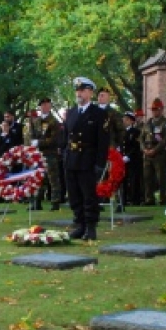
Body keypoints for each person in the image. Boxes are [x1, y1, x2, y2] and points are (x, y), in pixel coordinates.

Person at [62, 77, 110, 240]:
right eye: (77, 91)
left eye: (82, 90)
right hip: (72, 159)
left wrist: (100, 164)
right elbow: (66, 137)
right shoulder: (71, 112)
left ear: (90, 92)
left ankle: (90, 227)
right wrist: (64, 156)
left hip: (87, 159)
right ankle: (79, 224)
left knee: (88, 195)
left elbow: (103, 141)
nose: (79, 94)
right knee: (74, 195)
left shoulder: (99, 114)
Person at [25, 98, 62, 210]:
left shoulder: (54, 121)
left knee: (53, 178)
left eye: (47, 104)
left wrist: (39, 142)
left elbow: (54, 139)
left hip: (50, 153)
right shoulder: (35, 121)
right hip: (37, 153)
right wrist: (31, 143)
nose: (44, 107)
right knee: (37, 178)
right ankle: (36, 202)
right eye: (42, 105)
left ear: (50, 106)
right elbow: (30, 135)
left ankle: (55, 202)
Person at [140, 98, 166, 205]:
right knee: (147, 177)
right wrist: (144, 149)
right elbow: (141, 138)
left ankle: (163, 198)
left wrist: (155, 150)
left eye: (156, 109)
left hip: (159, 153)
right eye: (153, 110)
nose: (154, 112)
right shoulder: (147, 123)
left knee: (161, 177)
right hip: (147, 153)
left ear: (161, 110)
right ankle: (149, 199)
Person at [120, 112, 143, 206]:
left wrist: (128, 156)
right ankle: (124, 199)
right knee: (123, 179)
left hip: (133, 159)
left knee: (134, 179)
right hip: (122, 158)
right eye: (124, 119)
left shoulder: (136, 132)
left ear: (131, 121)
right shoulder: (121, 132)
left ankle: (135, 199)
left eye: (126, 119)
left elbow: (136, 146)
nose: (124, 121)